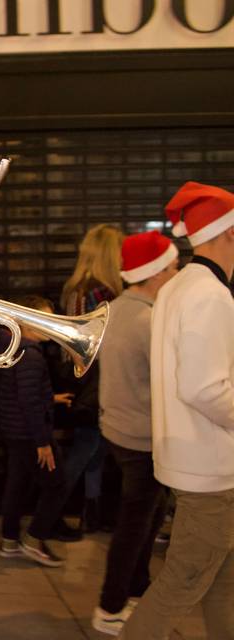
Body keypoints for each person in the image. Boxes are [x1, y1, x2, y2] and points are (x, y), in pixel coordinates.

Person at [122, 182, 234, 639]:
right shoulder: (210, 293)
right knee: (181, 585)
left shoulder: (180, 286)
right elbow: (204, 388)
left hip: (192, 464)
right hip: (211, 472)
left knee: (221, 583)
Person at [91, 231, 177, 635]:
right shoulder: (148, 319)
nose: (176, 274)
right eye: (174, 267)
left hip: (119, 429)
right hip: (142, 436)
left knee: (148, 514)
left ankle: (137, 591)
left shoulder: (117, 309)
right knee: (136, 523)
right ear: (157, 273)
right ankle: (109, 607)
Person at [0, 295, 72, 568]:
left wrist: (51, 398)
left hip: (15, 430)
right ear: (28, 323)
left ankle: (9, 540)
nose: (52, 325)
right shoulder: (31, 357)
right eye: (46, 320)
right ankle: (34, 538)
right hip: (29, 434)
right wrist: (43, 442)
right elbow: (27, 401)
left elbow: (22, 394)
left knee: (17, 485)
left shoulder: (16, 349)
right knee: (57, 485)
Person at [57, 223, 123, 535]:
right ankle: (51, 514)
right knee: (88, 448)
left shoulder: (74, 289)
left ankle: (90, 510)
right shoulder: (106, 294)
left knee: (93, 447)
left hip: (79, 379)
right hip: (100, 380)